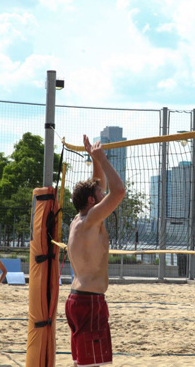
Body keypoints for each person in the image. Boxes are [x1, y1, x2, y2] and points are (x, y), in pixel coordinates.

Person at [66, 135, 125, 367]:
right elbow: (119, 190)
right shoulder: (91, 219)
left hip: (77, 299)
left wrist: (94, 160)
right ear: (91, 200)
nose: (104, 195)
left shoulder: (78, 220)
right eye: (100, 194)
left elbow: (97, 185)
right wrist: (102, 157)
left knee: (83, 363)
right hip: (89, 303)